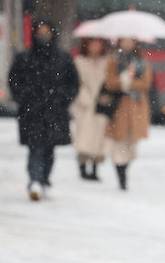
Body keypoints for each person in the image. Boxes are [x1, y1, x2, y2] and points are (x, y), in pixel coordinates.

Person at [8, 20, 79, 201]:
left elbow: (73, 83)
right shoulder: (24, 58)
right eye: (40, 32)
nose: (43, 36)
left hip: (55, 111)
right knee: (35, 148)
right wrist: (23, 97)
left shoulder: (63, 58)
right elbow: (14, 81)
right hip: (32, 112)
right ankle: (35, 180)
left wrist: (63, 98)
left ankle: (44, 179)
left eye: (46, 32)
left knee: (49, 149)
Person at [105, 38, 153, 191]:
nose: (127, 44)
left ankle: (124, 169)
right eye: (124, 40)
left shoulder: (142, 62)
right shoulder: (113, 61)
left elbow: (146, 83)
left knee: (132, 144)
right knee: (119, 142)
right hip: (118, 107)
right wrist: (122, 81)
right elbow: (109, 82)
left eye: (130, 40)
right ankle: (121, 175)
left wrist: (130, 82)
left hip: (136, 108)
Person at [70, 38, 110, 181]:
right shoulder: (79, 62)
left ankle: (94, 168)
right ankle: (82, 166)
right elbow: (75, 82)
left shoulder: (107, 62)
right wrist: (85, 98)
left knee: (99, 137)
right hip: (84, 105)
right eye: (92, 43)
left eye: (98, 43)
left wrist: (105, 96)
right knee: (83, 136)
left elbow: (109, 82)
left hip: (101, 105)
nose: (95, 46)